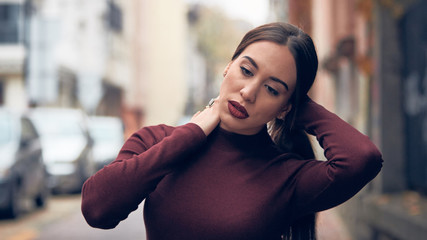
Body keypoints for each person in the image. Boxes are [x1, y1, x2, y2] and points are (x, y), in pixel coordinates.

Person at [81, 22, 383, 240]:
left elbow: (363, 159)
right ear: (228, 66)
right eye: (246, 71)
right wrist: (190, 134)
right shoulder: (156, 141)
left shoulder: (285, 176)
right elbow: (97, 209)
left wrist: (299, 106)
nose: (249, 92)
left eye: (271, 89)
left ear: (286, 106)